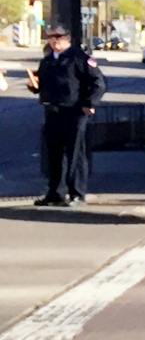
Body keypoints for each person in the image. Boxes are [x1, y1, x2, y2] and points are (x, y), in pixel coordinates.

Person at [26, 24, 104, 206]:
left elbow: (97, 83)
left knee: (75, 153)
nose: (54, 41)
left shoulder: (79, 58)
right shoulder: (47, 61)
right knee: (54, 154)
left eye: (58, 38)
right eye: (51, 38)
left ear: (67, 39)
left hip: (74, 111)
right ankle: (55, 193)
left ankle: (77, 193)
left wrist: (90, 103)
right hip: (53, 111)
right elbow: (42, 86)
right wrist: (33, 86)